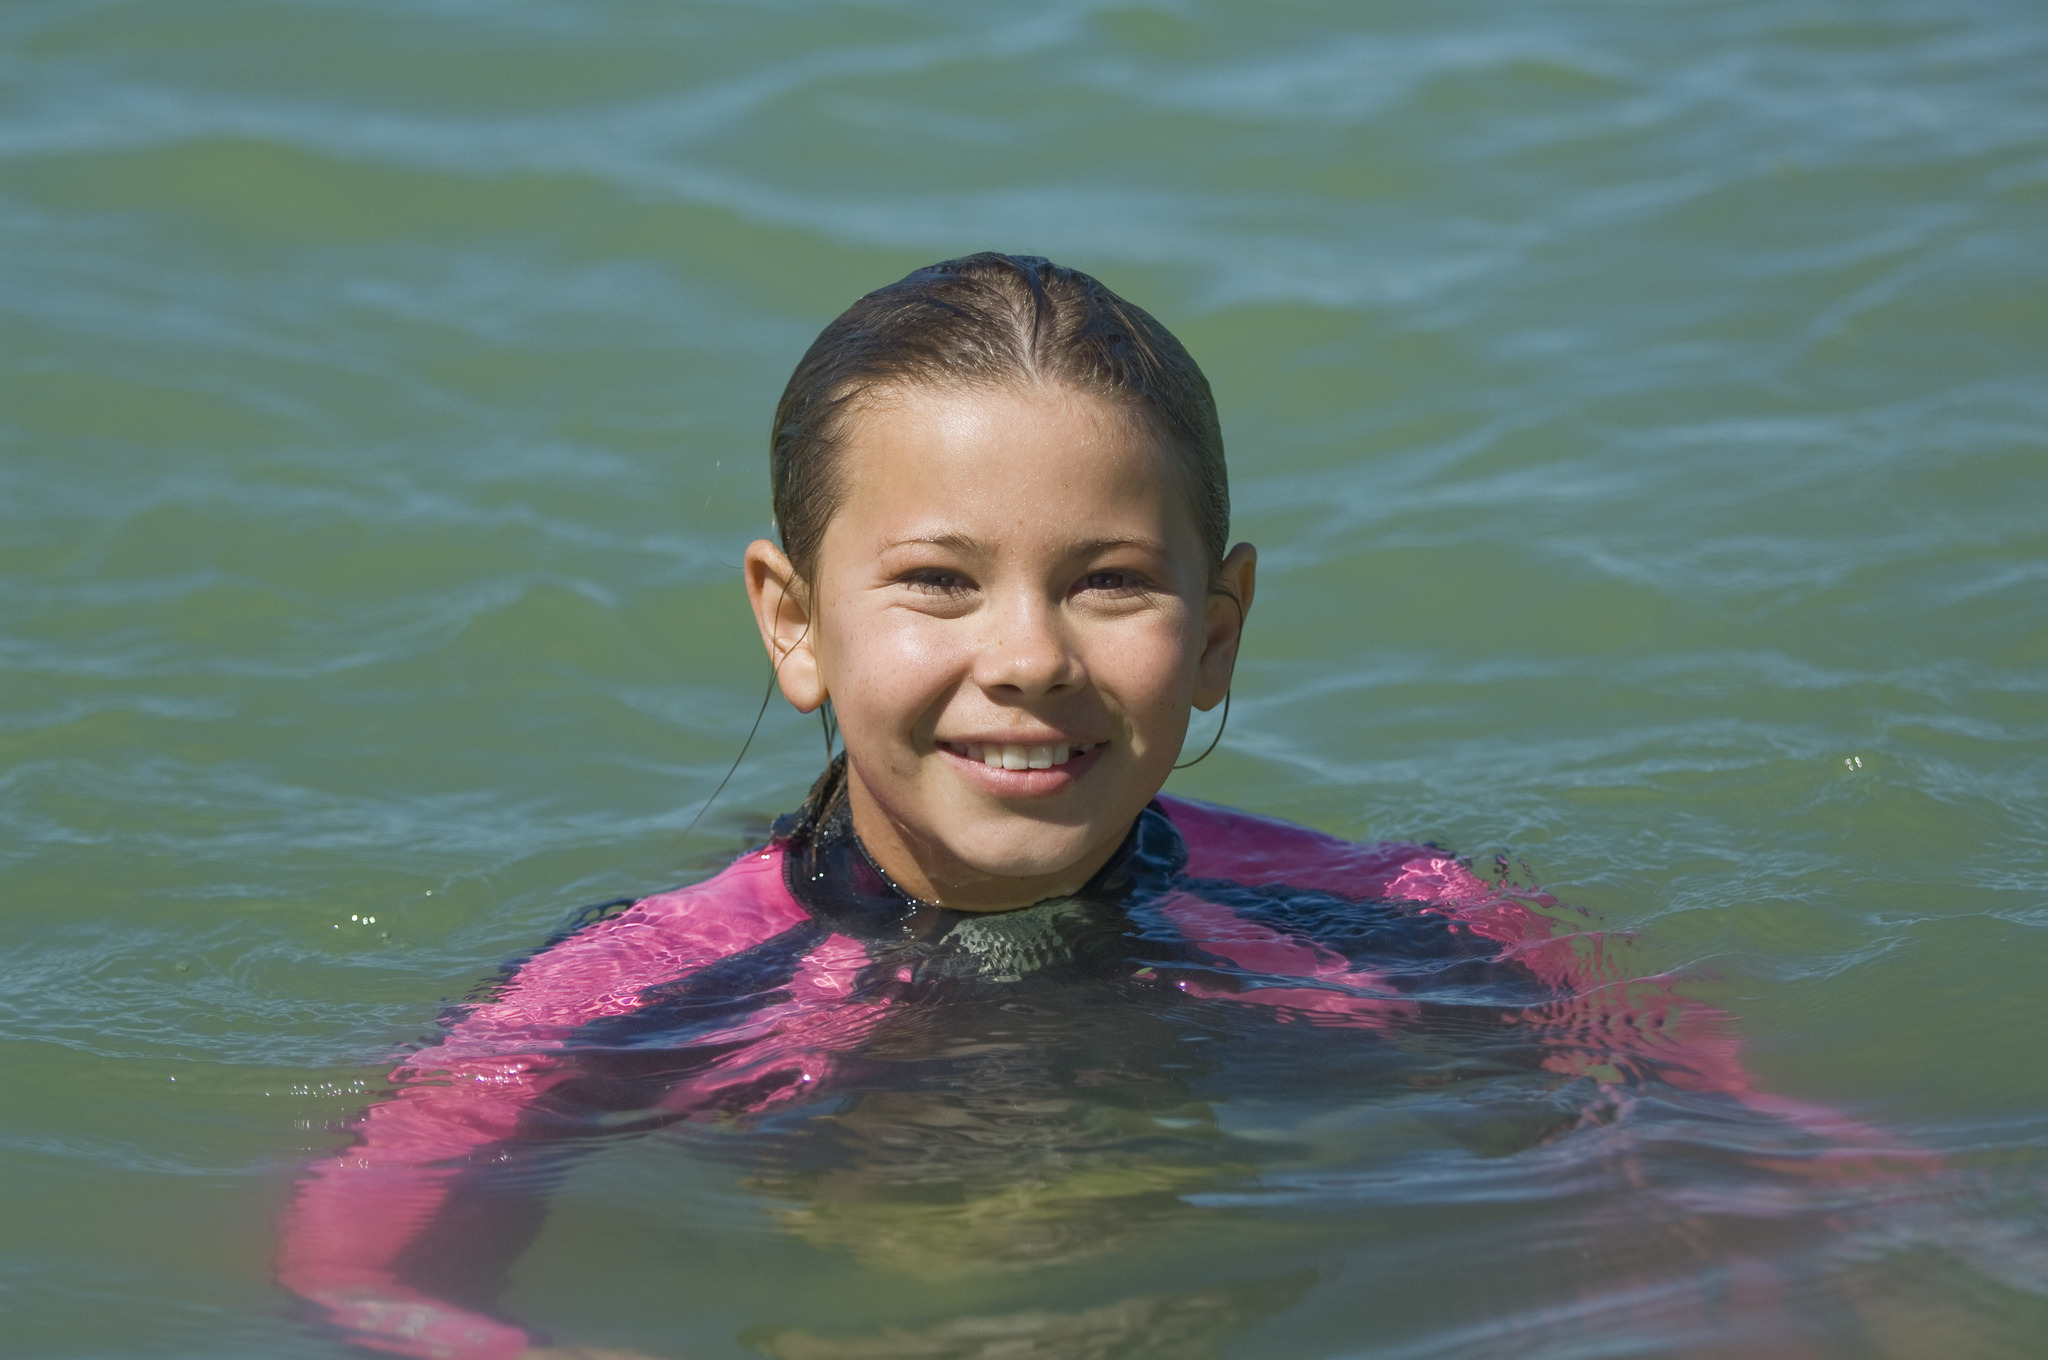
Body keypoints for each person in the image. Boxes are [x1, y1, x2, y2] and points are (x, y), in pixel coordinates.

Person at [277, 255, 1921, 1360]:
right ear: (795, 623)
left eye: (1110, 583)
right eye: (936, 582)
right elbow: (356, 1261)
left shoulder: (1399, 923)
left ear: (1215, 634)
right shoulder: (646, 992)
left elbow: (1766, 1150)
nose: (1029, 658)